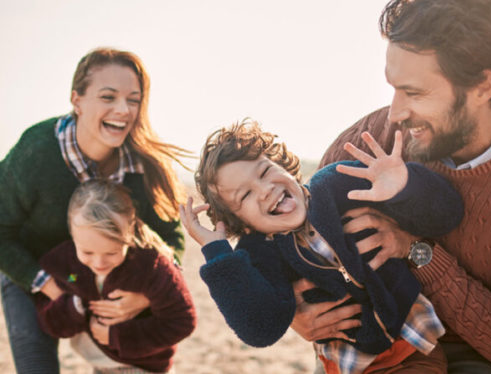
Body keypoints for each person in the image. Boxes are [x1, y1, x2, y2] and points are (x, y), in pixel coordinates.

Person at [291, 0, 491, 373]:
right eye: (394, 88)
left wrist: (415, 249)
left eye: (415, 93)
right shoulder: (370, 138)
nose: (395, 113)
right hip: (372, 344)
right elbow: (283, 227)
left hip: (475, 354)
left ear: (483, 86)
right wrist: (294, 310)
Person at [181, 120, 464, 373]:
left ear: (285, 167)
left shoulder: (336, 184)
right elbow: (260, 328)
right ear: (241, 224)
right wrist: (217, 252)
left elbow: (447, 214)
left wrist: (404, 185)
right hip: (342, 364)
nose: (265, 189)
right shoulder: (260, 252)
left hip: (409, 346)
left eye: (265, 171)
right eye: (245, 195)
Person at [0, 47, 190, 373]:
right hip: (31, 272)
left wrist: (144, 295)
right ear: (77, 100)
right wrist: (49, 285)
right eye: (108, 96)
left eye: (133, 99)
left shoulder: (145, 164)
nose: (123, 110)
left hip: (105, 279)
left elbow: (169, 238)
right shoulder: (37, 150)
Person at [35, 180, 196, 373]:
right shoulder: (69, 267)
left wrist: (117, 336)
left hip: (143, 367)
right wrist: (72, 305)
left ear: (129, 233)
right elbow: (59, 298)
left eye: (111, 253)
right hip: (98, 363)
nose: (99, 263)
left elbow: (182, 321)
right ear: (72, 234)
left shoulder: (150, 266)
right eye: (87, 253)